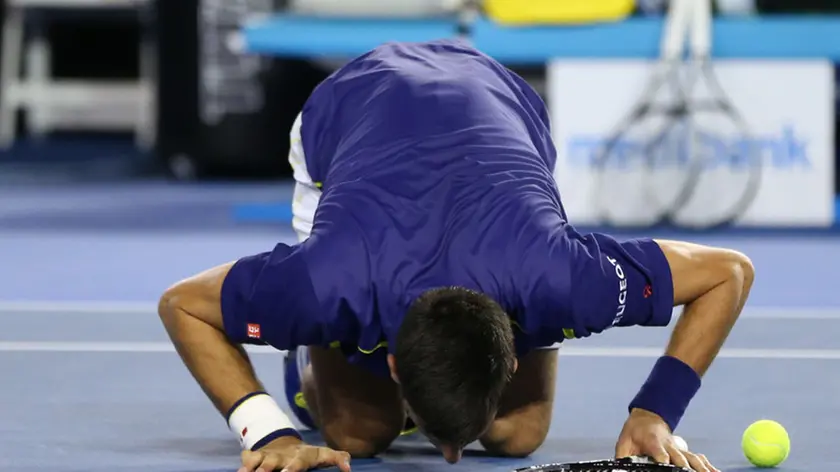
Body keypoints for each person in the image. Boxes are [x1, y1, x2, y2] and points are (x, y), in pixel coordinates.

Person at [158, 39, 753, 472]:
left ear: (511, 358)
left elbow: (728, 273)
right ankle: (306, 363)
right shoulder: (327, 282)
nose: (449, 460)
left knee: (519, 435)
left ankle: (401, 390)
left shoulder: (562, 278)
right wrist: (267, 434)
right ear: (393, 362)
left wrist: (655, 412)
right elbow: (182, 304)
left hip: (497, 95)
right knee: (358, 435)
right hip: (352, 105)